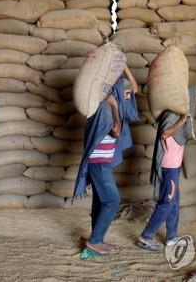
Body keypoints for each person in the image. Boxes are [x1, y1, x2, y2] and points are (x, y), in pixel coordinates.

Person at [73, 66, 139, 256]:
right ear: (117, 92)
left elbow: (135, 89)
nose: (129, 97)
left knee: (100, 200)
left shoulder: (109, 103)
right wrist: (115, 106)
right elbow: (116, 131)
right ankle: (95, 241)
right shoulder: (104, 107)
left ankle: (96, 237)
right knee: (112, 200)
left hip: (101, 163)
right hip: (98, 163)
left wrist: (124, 68)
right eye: (125, 94)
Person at [137, 86, 196, 251]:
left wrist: (184, 120)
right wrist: (182, 120)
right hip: (168, 167)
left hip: (174, 166)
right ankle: (146, 236)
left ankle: (172, 237)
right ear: (192, 97)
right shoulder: (172, 116)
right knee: (167, 202)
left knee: (174, 203)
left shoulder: (181, 116)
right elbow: (165, 135)